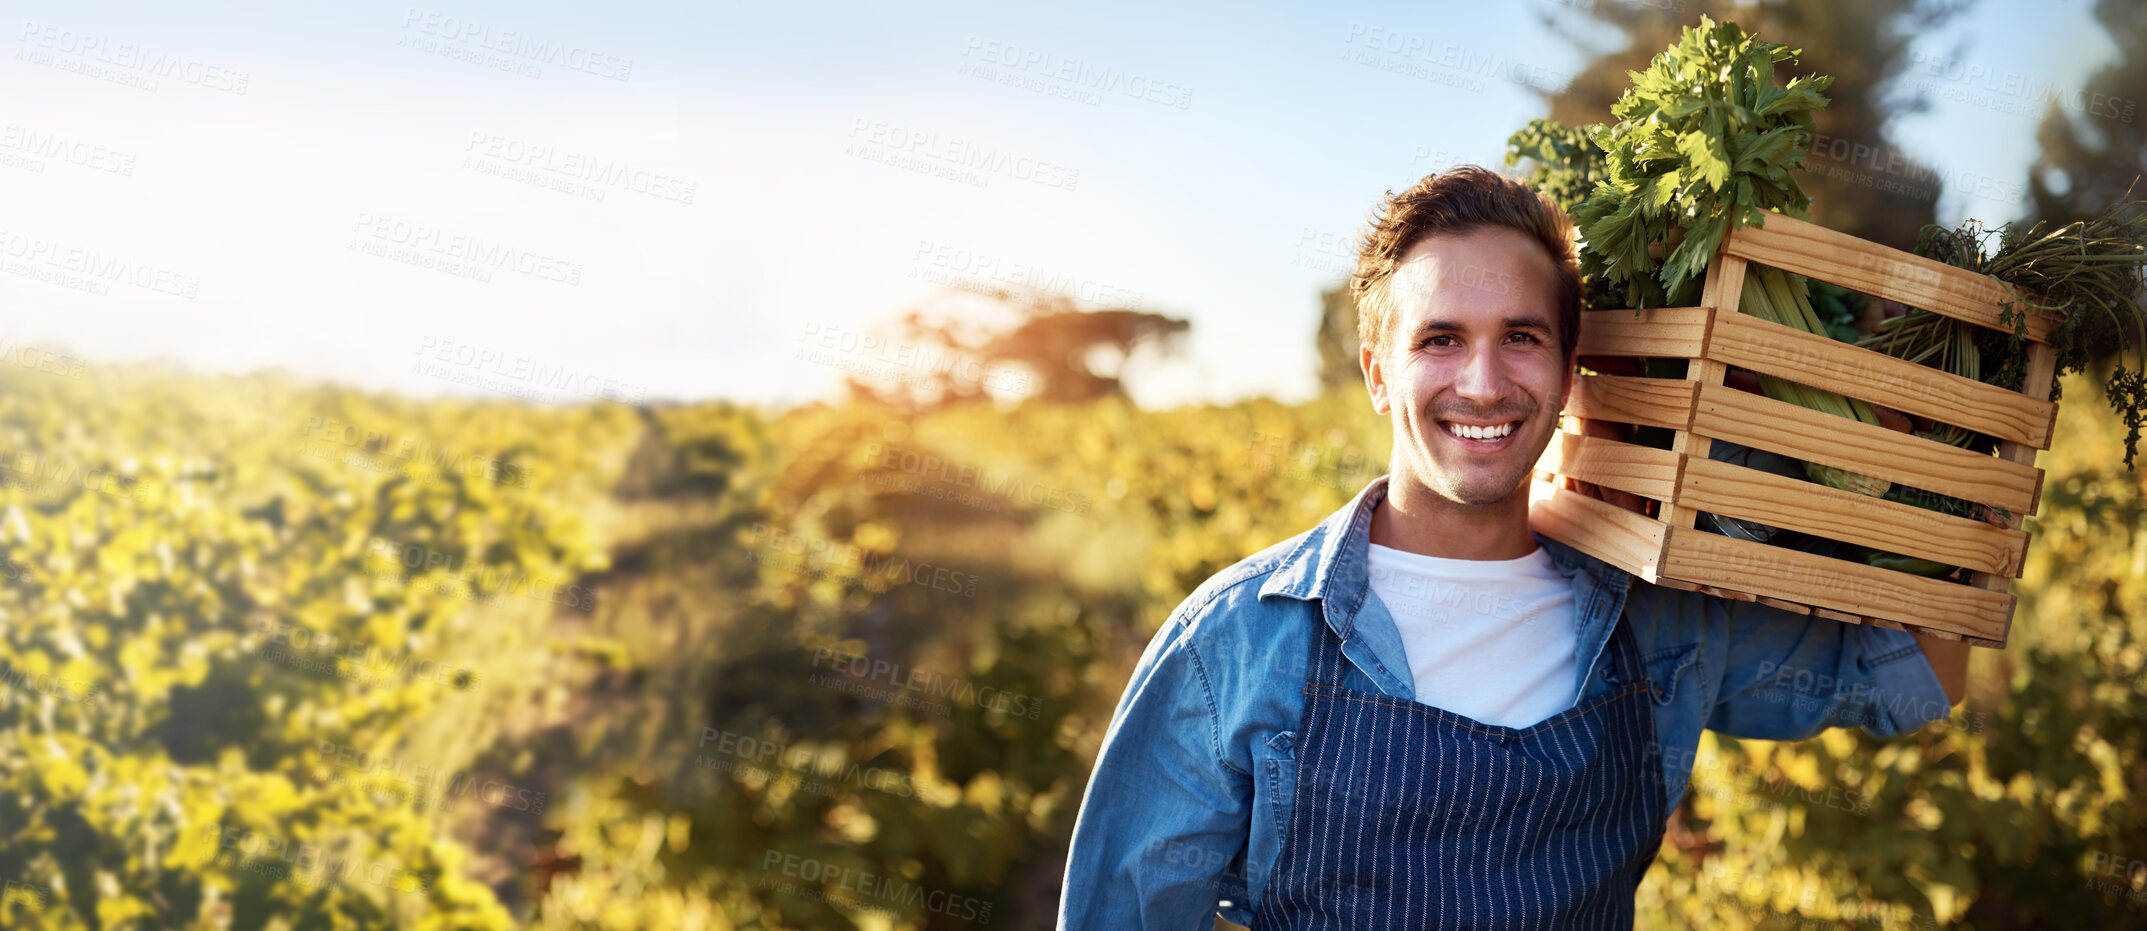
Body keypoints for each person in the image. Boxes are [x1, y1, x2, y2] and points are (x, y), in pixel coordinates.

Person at [1055, 166, 1968, 929]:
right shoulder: (1235, 642)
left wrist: (1931, 458)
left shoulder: (1655, 620)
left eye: (1521, 338)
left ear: (1570, 371)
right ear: (1378, 374)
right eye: (1440, 339)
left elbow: (1908, 678)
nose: (1483, 383)